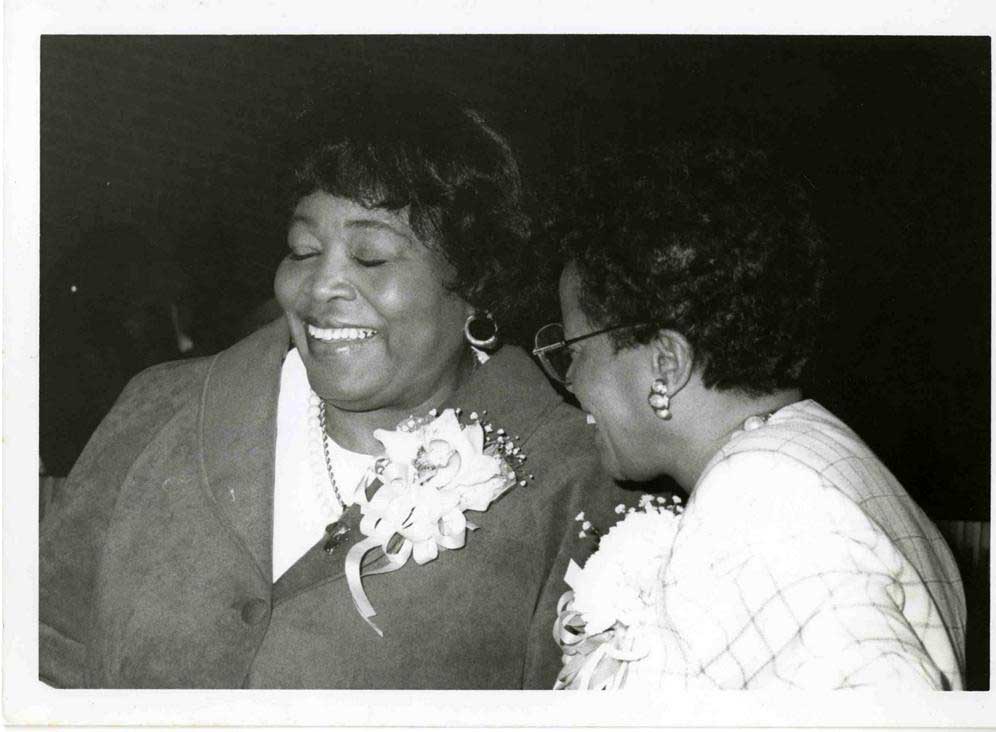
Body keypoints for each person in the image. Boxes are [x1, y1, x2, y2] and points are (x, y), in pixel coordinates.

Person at [38, 80, 628, 689]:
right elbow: (45, 656)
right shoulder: (160, 409)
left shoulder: (574, 482)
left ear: (475, 280)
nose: (320, 289)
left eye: (370, 258)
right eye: (302, 250)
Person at [537, 141, 967, 689]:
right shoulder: (820, 448)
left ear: (664, 364)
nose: (570, 380)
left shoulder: (760, 498)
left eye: (576, 351)